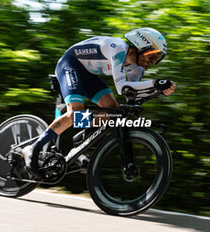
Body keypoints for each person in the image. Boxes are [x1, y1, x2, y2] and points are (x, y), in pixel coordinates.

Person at [23, 27, 176, 178]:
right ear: (140, 46)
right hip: (70, 65)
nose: (152, 62)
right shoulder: (119, 48)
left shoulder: (137, 68)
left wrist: (158, 90)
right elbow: (122, 87)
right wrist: (155, 83)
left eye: (156, 59)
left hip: (89, 75)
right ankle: (33, 148)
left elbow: (132, 95)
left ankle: (79, 144)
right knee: (75, 112)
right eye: (152, 56)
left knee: (112, 110)